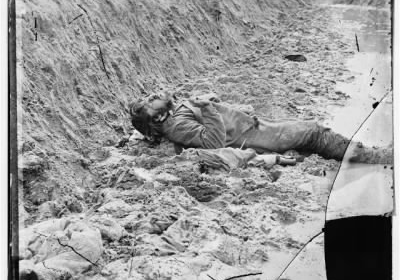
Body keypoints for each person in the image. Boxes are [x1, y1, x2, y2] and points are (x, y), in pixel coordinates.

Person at [128, 92, 387, 162]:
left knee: (311, 134)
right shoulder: (176, 126)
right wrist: (207, 108)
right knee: (314, 132)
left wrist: (211, 104)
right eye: (150, 104)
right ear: (155, 123)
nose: (153, 98)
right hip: (255, 136)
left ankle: (365, 153)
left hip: (253, 127)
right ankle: (371, 157)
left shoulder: (175, 115)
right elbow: (213, 142)